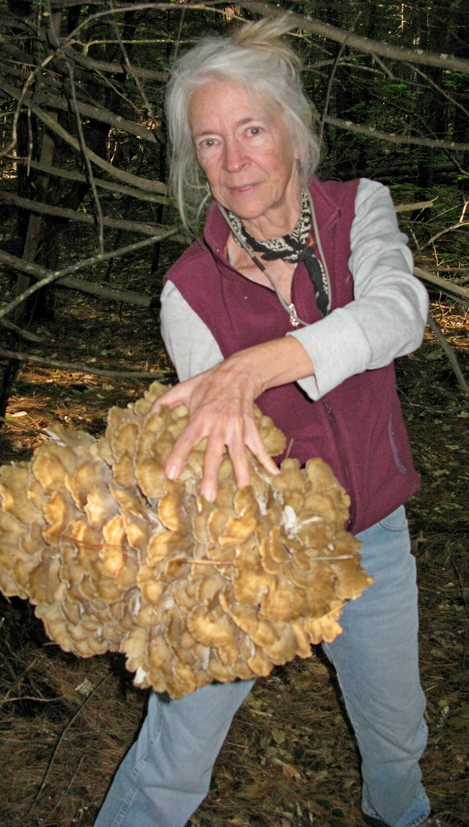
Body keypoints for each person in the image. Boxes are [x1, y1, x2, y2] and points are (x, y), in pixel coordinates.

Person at [94, 17, 442, 827]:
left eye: (251, 129)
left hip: (374, 539)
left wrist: (256, 365)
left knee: (398, 737)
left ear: (293, 132)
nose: (234, 160)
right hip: (253, 547)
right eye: (210, 142)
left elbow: (400, 312)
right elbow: (222, 455)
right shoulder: (189, 291)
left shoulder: (358, 211)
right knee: (172, 758)